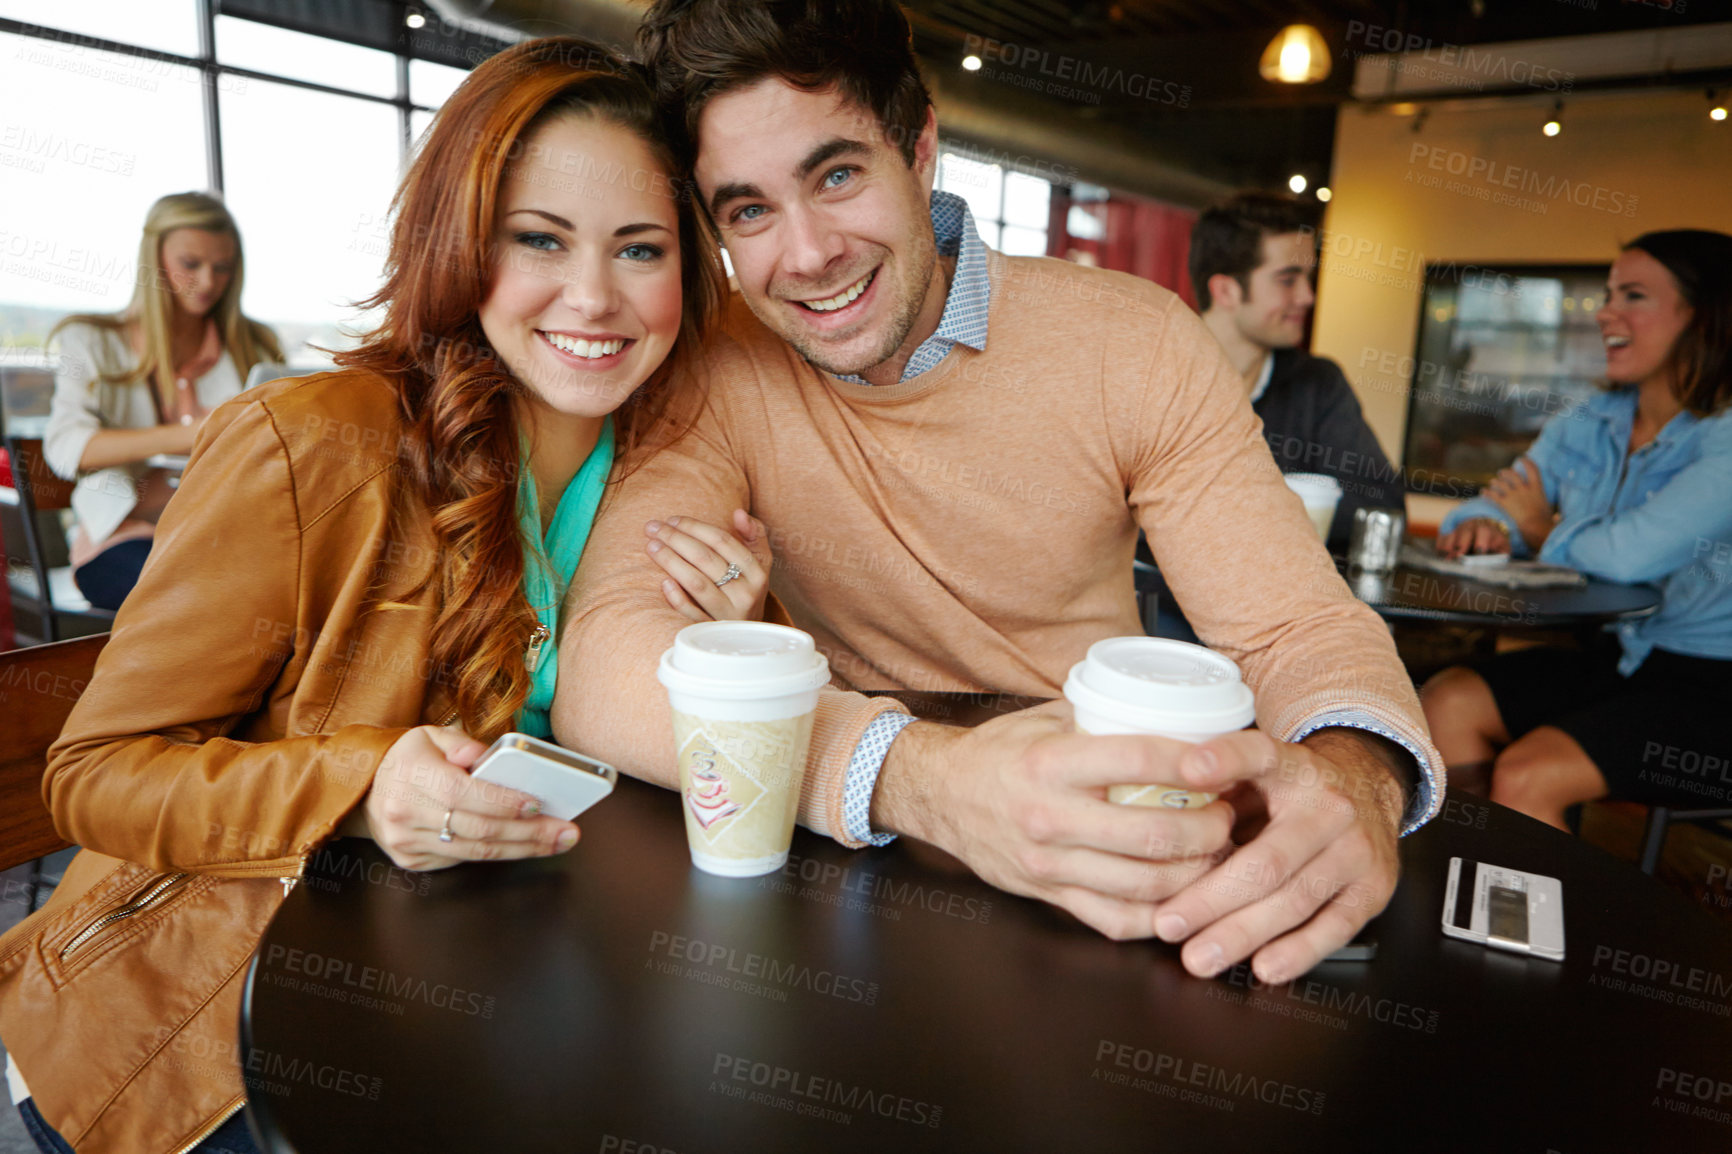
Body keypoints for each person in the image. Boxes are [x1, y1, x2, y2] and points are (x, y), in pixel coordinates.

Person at [557, 0, 1446, 989]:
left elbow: (1300, 632)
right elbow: (603, 660)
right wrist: (919, 781)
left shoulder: (1133, 342)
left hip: (1110, 862)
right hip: (857, 877)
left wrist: (1355, 782)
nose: (805, 255)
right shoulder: (716, 368)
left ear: (920, 148)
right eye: (750, 210)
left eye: (837, 174)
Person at [0, 38, 735, 1154]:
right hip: (203, 1043)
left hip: (492, 989)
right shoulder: (311, 445)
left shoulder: (669, 468)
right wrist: (359, 782)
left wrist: (729, 641)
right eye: (538, 239)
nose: (593, 296)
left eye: (640, 248)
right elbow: (92, 775)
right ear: (457, 244)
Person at [1422, 230, 1732, 830]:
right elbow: (1494, 502)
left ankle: (1527, 914)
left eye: (1633, 296)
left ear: (1705, 317)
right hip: (1618, 659)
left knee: (1530, 772)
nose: (1605, 312)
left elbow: (1630, 554)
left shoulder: (1724, 435)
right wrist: (1485, 524)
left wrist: (1541, 529)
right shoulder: (1591, 418)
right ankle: (1478, 875)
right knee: (1444, 700)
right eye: (1609, 293)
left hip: (1712, 687)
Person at [44, 192, 282, 609]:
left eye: (222, 268)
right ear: (152, 259)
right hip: (122, 534)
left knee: (282, 595)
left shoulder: (256, 346)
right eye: (191, 264)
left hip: (229, 536)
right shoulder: (90, 340)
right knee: (209, 602)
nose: (208, 282)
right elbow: (67, 449)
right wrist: (188, 435)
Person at [1191, 191, 1401, 543]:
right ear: (1226, 291)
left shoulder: (1318, 384)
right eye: (1288, 279)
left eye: (1308, 277)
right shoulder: (1156, 379)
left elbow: (1379, 509)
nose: (1307, 296)